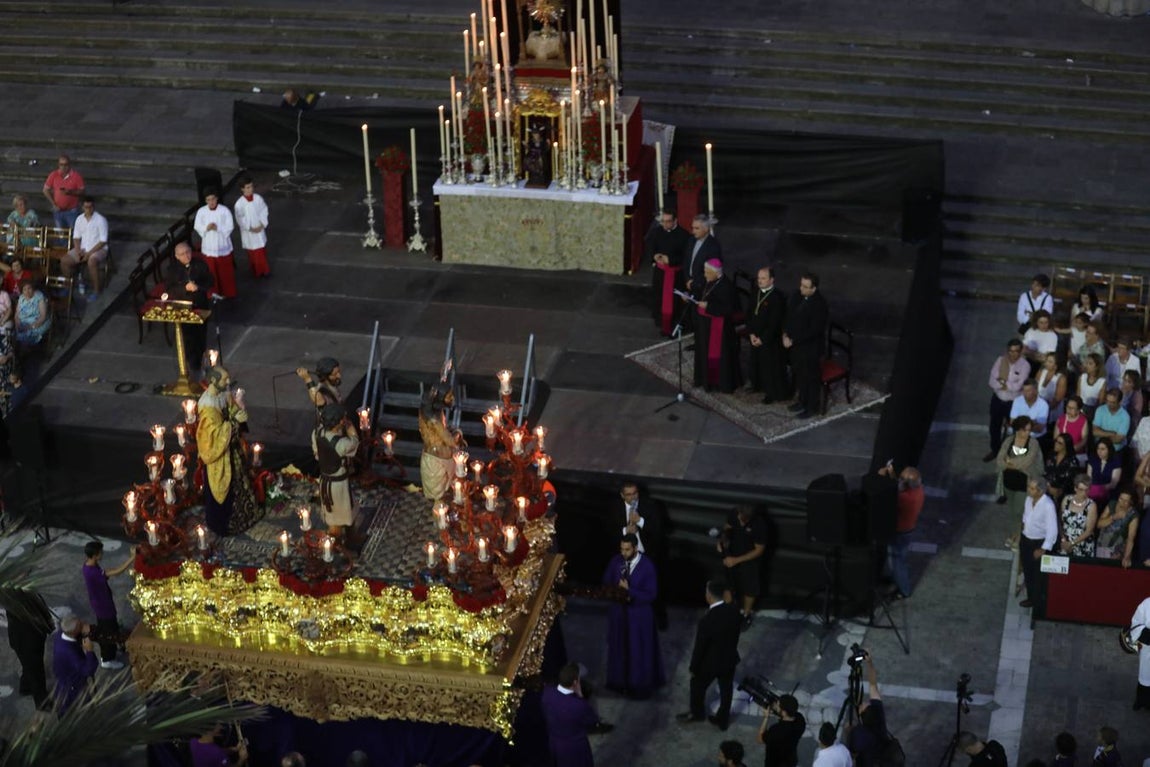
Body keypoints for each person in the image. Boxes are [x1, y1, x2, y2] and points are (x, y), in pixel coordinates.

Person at [197, 366, 261, 537]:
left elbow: (231, 410)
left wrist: (239, 413)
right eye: (224, 379)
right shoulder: (208, 408)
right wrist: (234, 423)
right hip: (221, 454)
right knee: (224, 487)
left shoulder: (222, 395)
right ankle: (224, 523)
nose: (227, 382)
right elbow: (212, 438)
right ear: (212, 381)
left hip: (232, 450)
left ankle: (246, 514)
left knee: (239, 481)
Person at [601, 533, 664, 698]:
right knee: (619, 647)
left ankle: (638, 686)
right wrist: (617, 587)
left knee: (638, 650)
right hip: (619, 615)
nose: (624, 553)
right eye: (622, 549)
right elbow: (606, 581)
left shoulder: (647, 566)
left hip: (639, 617)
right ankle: (618, 682)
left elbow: (651, 594)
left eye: (627, 550)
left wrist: (630, 591)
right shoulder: (616, 561)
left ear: (635, 548)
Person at [678, 579, 742, 731]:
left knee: (697, 686)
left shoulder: (707, 620)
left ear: (710, 596)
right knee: (726, 690)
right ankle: (722, 720)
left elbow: (700, 647)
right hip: (729, 659)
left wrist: (694, 666)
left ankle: (697, 713)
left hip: (710, 663)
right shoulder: (734, 612)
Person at [618, 481, 670, 627]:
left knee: (654, 588)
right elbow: (609, 529)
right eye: (628, 495)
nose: (633, 497)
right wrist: (626, 532)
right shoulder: (615, 508)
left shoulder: (650, 506)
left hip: (649, 555)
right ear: (622, 495)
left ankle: (659, 619)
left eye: (635, 493)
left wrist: (640, 521)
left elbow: (659, 529)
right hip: (628, 557)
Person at [82, 540, 136, 669]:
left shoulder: (89, 565)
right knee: (107, 632)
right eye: (100, 553)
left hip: (101, 602)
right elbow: (116, 572)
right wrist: (132, 558)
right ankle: (107, 659)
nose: (102, 554)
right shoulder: (92, 572)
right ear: (94, 555)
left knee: (110, 627)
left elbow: (108, 571)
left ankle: (113, 648)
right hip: (103, 605)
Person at [783, 271, 829, 420]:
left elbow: (813, 331)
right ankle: (802, 401)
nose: (801, 288)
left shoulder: (820, 305)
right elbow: (789, 316)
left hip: (811, 349)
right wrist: (785, 334)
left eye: (805, 287)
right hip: (796, 345)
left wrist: (793, 340)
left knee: (811, 378)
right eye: (801, 285)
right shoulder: (797, 296)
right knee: (800, 375)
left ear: (813, 289)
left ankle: (812, 407)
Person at [164, 241, 214, 373]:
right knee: (189, 336)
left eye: (188, 252)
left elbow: (210, 281)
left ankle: (201, 358)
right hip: (184, 307)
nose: (186, 256)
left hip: (200, 304)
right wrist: (185, 288)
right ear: (176, 256)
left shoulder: (199, 264)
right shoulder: (172, 270)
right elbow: (170, 290)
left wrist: (198, 287)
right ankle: (193, 363)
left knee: (201, 334)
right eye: (182, 254)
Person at [313, 403, 360, 541]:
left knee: (340, 512)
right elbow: (355, 442)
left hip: (325, 481)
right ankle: (334, 545)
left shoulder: (317, 433)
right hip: (338, 486)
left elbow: (317, 453)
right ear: (340, 421)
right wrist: (350, 428)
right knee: (337, 517)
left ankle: (346, 538)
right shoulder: (342, 444)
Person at [542, 663, 603, 767]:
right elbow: (593, 720)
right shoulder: (578, 705)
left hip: (555, 745)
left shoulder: (547, 693)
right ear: (575, 682)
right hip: (575, 749)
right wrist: (580, 696)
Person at [693, 259, 741, 393]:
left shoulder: (726, 286)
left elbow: (729, 309)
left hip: (721, 329)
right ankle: (704, 379)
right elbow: (702, 293)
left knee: (720, 356)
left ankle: (720, 383)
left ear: (717, 273)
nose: (705, 274)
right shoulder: (710, 281)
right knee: (704, 350)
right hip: (705, 326)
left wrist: (708, 306)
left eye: (708, 272)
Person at [877, 463, 924, 599]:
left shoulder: (904, 499)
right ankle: (896, 581)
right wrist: (892, 474)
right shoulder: (919, 489)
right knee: (899, 558)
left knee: (897, 561)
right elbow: (900, 486)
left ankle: (904, 590)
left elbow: (888, 495)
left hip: (900, 531)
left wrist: (881, 476)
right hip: (909, 528)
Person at [719, 505, 767, 628]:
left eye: (745, 520)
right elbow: (727, 528)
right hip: (731, 555)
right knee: (728, 585)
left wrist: (737, 560)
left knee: (750, 589)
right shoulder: (733, 513)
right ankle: (726, 613)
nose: (741, 521)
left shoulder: (760, 525)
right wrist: (721, 542)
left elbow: (759, 550)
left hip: (749, 561)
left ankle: (746, 614)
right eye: (740, 517)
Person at [746, 266, 789, 404]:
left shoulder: (777, 298)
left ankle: (771, 393)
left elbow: (775, 323)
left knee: (769, 367)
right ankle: (756, 385)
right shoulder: (755, 292)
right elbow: (749, 314)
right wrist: (751, 333)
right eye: (759, 278)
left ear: (772, 280)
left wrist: (762, 339)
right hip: (755, 336)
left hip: (770, 340)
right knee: (755, 362)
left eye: (763, 278)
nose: (760, 281)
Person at [647, 208, 692, 335]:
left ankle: (675, 324)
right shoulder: (657, 232)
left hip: (675, 275)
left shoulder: (684, 235)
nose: (665, 224)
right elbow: (651, 247)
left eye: (668, 221)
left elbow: (686, 257)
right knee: (659, 297)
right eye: (663, 221)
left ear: (675, 220)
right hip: (660, 274)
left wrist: (670, 259)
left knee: (675, 301)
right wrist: (654, 256)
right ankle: (661, 321)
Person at [6, 591, 53, 708]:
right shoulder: (22, 598)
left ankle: (26, 685)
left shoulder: (12, 595)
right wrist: (48, 625)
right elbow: (38, 612)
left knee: (28, 666)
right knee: (36, 671)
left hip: (22, 638)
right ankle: (41, 701)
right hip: (30, 640)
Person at [985, 339, 1030, 461]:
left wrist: (1002, 382)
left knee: (1015, 429)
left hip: (1013, 403)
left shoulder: (1025, 366)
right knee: (994, 427)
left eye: (1016, 351)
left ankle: (1013, 454)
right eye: (1010, 351)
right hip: (998, 400)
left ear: (1020, 352)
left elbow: (1018, 386)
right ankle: (995, 450)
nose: (1013, 354)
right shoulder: (1000, 361)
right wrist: (1007, 385)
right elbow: (991, 381)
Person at [1019, 477, 1057, 610]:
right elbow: (1025, 517)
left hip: (1038, 543)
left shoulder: (1048, 505)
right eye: (1029, 487)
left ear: (1040, 491)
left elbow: (1052, 529)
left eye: (1032, 488)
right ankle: (1031, 598)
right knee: (1028, 571)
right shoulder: (1028, 500)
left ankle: (1038, 601)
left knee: (1037, 574)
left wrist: (1043, 549)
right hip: (1026, 539)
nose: (1029, 490)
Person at [60, 196, 109, 298]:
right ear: (82, 207)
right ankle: (69, 286)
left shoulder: (101, 220)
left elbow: (103, 241)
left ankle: (96, 290)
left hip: (98, 248)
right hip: (82, 248)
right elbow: (76, 237)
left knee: (92, 261)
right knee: (64, 260)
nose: (88, 209)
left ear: (93, 207)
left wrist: (89, 253)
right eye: (86, 207)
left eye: (90, 207)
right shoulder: (79, 219)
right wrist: (78, 251)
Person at [845, 651, 888, 767]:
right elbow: (873, 684)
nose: (863, 702)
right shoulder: (877, 712)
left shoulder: (859, 734)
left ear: (862, 716)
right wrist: (869, 663)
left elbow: (852, 754)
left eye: (863, 705)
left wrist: (848, 734)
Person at [418, 384, 459, 501]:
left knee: (449, 484)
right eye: (449, 396)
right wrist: (455, 439)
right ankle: (440, 510)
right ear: (440, 397)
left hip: (442, 453)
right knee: (439, 492)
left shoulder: (437, 411)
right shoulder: (431, 417)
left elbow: (444, 430)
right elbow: (445, 437)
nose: (452, 399)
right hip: (436, 457)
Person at [194, 189, 237, 298]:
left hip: (222, 244)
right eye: (208, 200)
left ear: (217, 198)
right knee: (211, 272)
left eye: (213, 199)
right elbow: (197, 226)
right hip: (209, 246)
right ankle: (214, 293)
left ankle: (228, 292)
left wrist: (218, 228)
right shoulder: (201, 211)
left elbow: (230, 226)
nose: (211, 202)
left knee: (224, 272)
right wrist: (206, 228)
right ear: (205, 201)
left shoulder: (224, 210)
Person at [52, 614, 98, 712]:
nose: (83, 624)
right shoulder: (70, 653)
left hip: (64, 678)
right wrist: (90, 651)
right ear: (75, 632)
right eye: (80, 625)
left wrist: (84, 633)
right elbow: (88, 670)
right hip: (74, 687)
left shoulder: (61, 633)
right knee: (82, 709)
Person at [995, 416, 1042, 512]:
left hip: (1024, 485)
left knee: (1019, 511)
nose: (1028, 432)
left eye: (1029, 430)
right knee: (1012, 510)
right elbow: (1000, 460)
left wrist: (1009, 462)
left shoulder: (1033, 443)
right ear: (1018, 429)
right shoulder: (1008, 441)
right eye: (1025, 430)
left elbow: (1027, 461)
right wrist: (1010, 464)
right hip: (1008, 484)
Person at [232, 177, 270, 278]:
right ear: (242, 189)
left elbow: (264, 210)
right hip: (249, 233)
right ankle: (257, 272)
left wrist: (262, 224)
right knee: (253, 253)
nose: (250, 189)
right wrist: (251, 228)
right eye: (248, 187)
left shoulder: (258, 198)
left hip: (259, 228)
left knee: (261, 251)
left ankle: (264, 271)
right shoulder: (239, 204)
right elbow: (240, 218)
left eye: (251, 186)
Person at [757, 693, 805, 767]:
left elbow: (760, 739)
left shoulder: (776, 730)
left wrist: (766, 717)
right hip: (790, 761)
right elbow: (791, 715)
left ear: (784, 712)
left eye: (778, 705)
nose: (776, 706)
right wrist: (780, 712)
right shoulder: (800, 722)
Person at [42, 154, 85, 230]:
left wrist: (70, 192)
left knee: (72, 233)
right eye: (61, 164)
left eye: (66, 164)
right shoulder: (54, 175)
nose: (63, 167)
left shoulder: (76, 176)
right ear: (58, 165)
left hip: (72, 211)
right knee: (60, 234)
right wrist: (53, 204)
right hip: (58, 210)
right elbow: (45, 190)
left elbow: (82, 191)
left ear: (69, 165)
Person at [1096, 489, 1139, 565]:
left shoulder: (1133, 515)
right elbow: (1099, 524)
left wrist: (1126, 557)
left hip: (1117, 551)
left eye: (1126, 501)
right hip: (1102, 545)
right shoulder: (1112, 504)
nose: (1122, 503)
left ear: (1131, 502)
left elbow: (1130, 539)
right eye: (1120, 499)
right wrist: (1113, 517)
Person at [683, 214, 721, 300]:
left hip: (703, 289)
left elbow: (712, 271)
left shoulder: (713, 246)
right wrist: (688, 280)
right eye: (693, 228)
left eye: (697, 228)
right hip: (689, 284)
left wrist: (694, 284)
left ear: (706, 229)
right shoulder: (691, 240)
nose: (693, 231)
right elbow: (686, 261)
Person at [1058, 474, 1098, 557]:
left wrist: (1072, 543)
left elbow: (1089, 531)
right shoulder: (1066, 500)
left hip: (1082, 545)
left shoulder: (1091, 506)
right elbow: (1061, 522)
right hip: (1065, 543)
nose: (1084, 493)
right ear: (1075, 488)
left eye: (1087, 490)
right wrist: (1064, 540)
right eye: (1081, 490)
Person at [14, 278, 51, 351]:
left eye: (29, 288)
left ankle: (24, 352)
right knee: (14, 334)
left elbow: (43, 317)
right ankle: (20, 352)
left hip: (37, 323)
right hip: (24, 323)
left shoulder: (39, 296)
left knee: (27, 335)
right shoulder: (21, 298)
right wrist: (17, 325)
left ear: (33, 288)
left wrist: (30, 327)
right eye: (24, 289)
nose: (27, 291)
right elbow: (16, 315)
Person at [1044, 433, 1080, 502]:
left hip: (1063, 495)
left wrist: (1059, 491)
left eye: (1059, 443)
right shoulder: (1051, 456)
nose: (1056, 444)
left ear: (1066, 446)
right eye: (1056, 441)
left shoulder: (1072, 461)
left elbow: (1070, 482)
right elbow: (1046, 473)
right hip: (1046, 490)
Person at [1036, 353, 1068, 430]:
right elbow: (1035, 387)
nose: (1046, 363)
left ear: (1056, 365)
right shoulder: (1042, 371)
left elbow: (1057, 400)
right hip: (1038, 407)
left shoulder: (1061, 378)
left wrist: (1043, 410)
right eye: (1046, 361)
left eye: (1050, 362)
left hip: (1051, 411)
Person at [1087, 437, 1122, 506]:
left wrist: (1099, 489)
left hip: (1108, 493)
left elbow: (1113, 484)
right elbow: (1088, 478)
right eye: (1098, 448)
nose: (1099, 451)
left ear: (1109, 449)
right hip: (1092, 491)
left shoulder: (1116, 462)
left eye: (1102, 449)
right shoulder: (1093, 459)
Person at [1055, 396, 1090, 464]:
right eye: (1068, 407)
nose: (1069, 410)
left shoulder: (1083, 421)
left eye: (1072, 408)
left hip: (1077, 454)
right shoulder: (1061, 419)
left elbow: (1084, 440)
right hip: (1062, 453)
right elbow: (1056, 437)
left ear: (1078, 409)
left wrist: (1070, 450)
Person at [1129, 596, 1150, 710]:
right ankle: (1141, 701)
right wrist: (1146, 635)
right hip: (1148, 650)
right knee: (1145, 676)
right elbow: (1136, 623)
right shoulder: (1147, 604)